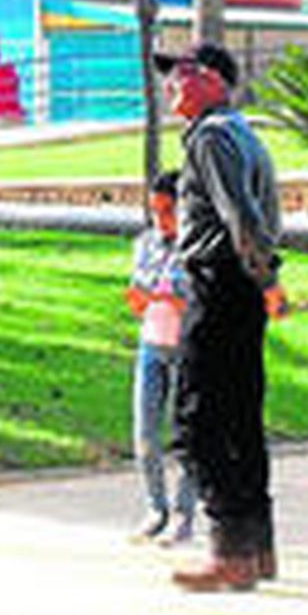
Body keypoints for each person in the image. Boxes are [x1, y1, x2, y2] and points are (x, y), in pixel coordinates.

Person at [155, 42, 287, 592]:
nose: (171, 87)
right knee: (240, 419)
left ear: (213, 79)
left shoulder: (211, 136)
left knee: (198, 420)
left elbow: (242, 215)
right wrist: (265, 279)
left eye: (181, 75)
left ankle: (228, 550)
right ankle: (257, 548)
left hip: (222, 284)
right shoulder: (242, 133)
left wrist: (266, 275)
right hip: (242, 287)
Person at [125, 171, 197, 545]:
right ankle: (156, 507)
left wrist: (172, 298)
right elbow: (139, 294)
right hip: (152, 344)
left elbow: (199, 300)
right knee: (146, 432)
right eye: (155, 211)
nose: (161, 219)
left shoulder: (197, 246)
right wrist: (143, 298)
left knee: (186, 435)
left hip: (187, 347)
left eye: (168, 210)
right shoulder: (145, 244)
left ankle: (184, 515)